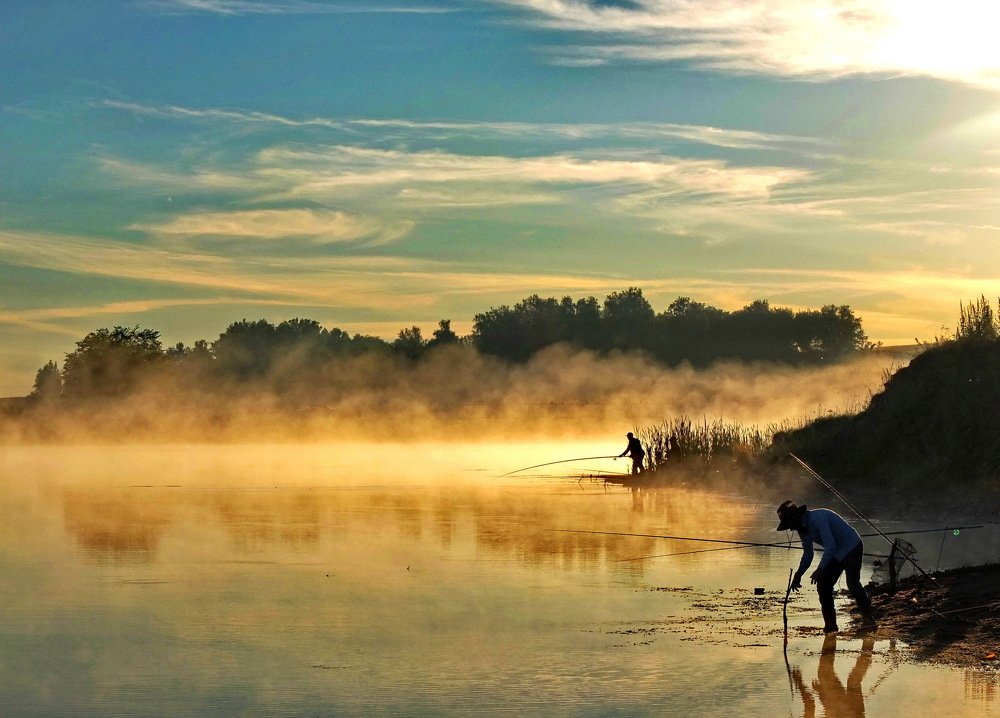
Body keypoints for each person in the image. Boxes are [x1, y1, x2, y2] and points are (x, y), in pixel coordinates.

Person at [777, 500, 876, 634]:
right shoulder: (802, 530)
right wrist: (798, 574)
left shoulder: (818, 519)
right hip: (836, 553)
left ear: (796, 517)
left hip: (852, 546)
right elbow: (808, 554)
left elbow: (830, 546)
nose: (790, 528)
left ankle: (869, 620)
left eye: (789, 524)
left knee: (852, 583)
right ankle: (831, 627)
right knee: (823, 586)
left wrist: (820, 569)